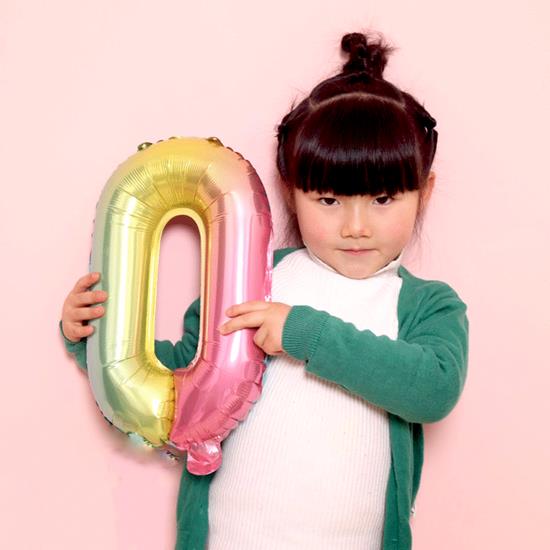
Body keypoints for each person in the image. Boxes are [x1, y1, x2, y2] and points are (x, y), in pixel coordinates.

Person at [60, 30, 469, 550]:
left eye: (383, 199)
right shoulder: (252, 277)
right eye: (328, 200)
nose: (356, 227)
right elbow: (182, 377)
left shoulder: (427, 305)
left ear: (423, 191)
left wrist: (302, 332)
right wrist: (95, 337)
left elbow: (432, 389)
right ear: (291, 190)